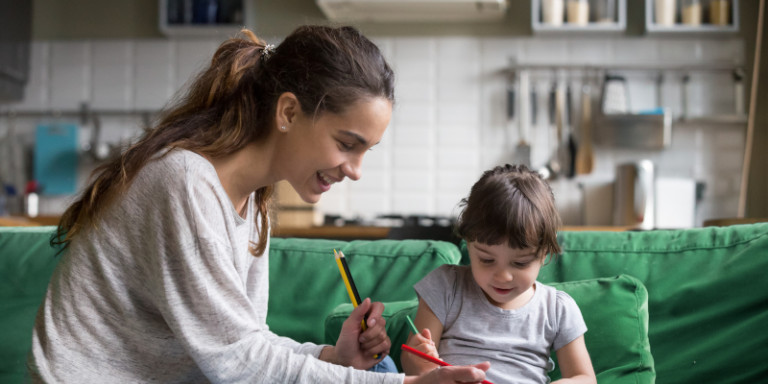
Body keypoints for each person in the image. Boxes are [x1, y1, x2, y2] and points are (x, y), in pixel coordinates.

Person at [28, 25, 490, 384]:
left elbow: (246, 345)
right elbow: (238, 363)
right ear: (288, 112)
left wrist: (334, 357)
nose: (355, 170)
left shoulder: (254, 205)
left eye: (366, 150)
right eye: (347, 144)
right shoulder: (185, 183)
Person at [401, 164, 596, 384]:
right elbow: (415, 368)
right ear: (469, 244)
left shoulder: (557, 308)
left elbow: (584, 378)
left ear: (544, 254)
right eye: (486, 260)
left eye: (520, 263)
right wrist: (418, 361)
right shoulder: (447, 285)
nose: (503, 276)